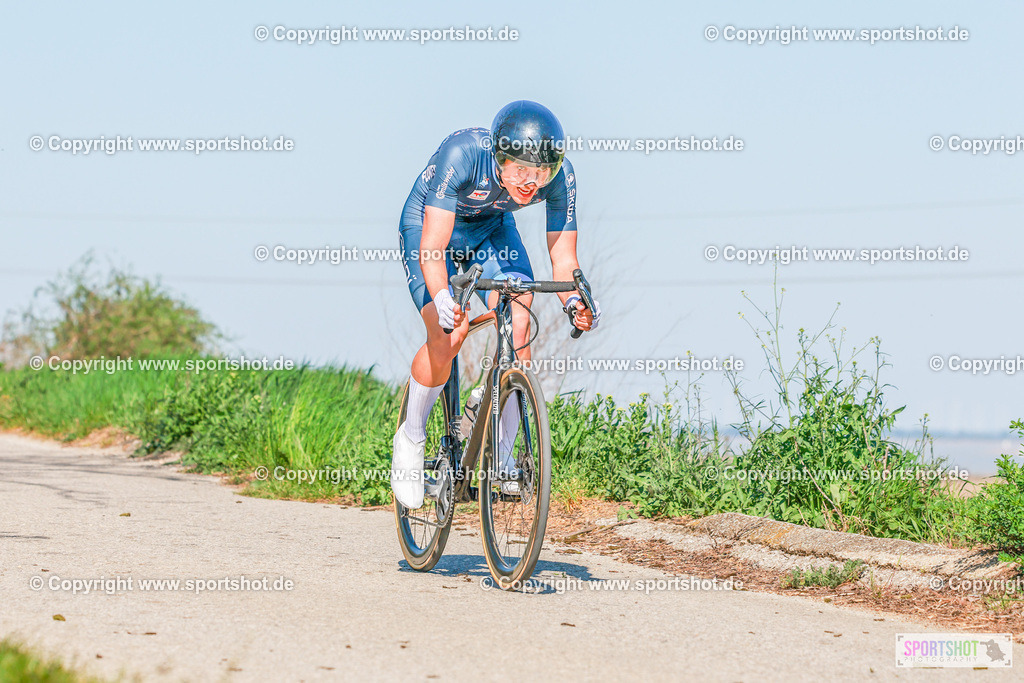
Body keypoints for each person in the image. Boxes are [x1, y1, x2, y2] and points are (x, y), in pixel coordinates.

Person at [392, 100, 601, 509]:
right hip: (432, 229)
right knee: (446, 333)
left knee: (519, 320)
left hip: (492, 231)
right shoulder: (463, 154)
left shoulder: (559, 177)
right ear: (499, 157)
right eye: (521, 170)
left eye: (541, 173)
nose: (531, 183)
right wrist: (442, 297)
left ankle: (501, 455)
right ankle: (411, 437)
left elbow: (564, 259)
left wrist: (576, 298)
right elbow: (432, 248)